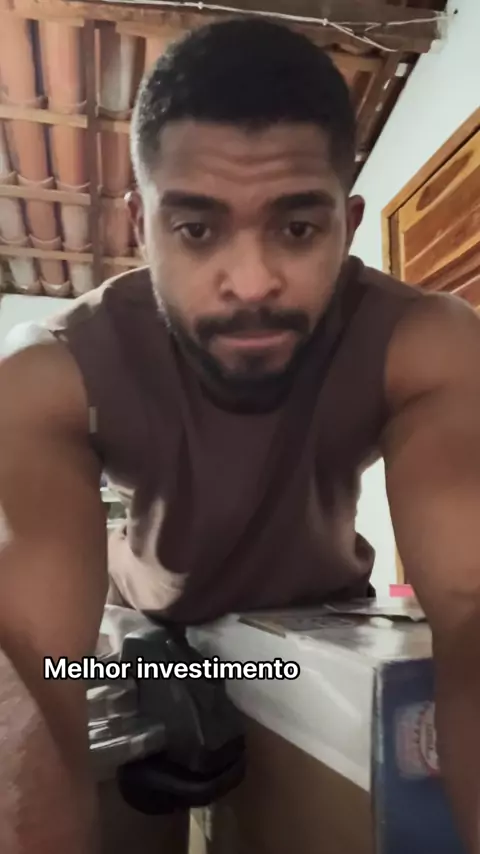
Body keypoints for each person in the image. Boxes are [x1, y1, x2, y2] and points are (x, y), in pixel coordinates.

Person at [0, 15, 479, 854]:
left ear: (348, 222)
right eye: (196, 228)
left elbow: (473, 608)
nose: (252, 283)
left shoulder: (425, 343)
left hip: (316, 624)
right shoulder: (49, 373)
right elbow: (29, 661)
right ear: (141, 225)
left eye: (297, 228)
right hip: (148, 644)